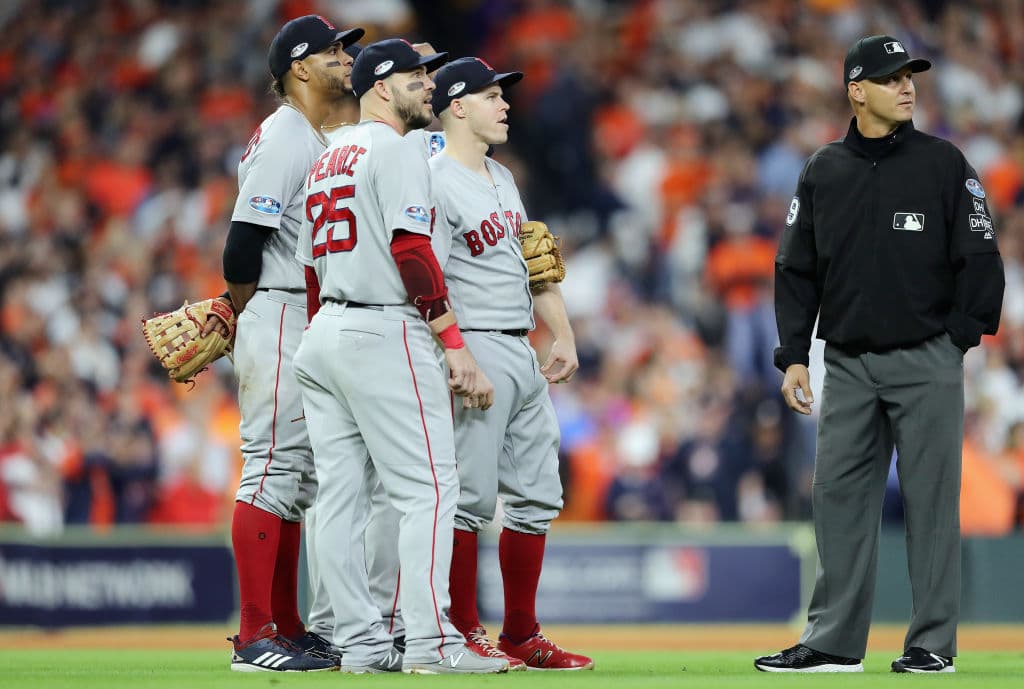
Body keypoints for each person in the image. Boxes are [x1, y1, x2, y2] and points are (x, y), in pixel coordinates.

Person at [756, 35, 1005, 674]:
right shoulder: (823, 169)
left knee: (930, 505)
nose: (907, 86)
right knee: (837, 500)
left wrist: (955, 340)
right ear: (856, 90)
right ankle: (834, 644)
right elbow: (796, 270)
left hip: (926, 360)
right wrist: (792, 356)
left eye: (911, 76)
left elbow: (981, 258)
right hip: (847, 364)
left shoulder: (944, 164)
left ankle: (931, 645)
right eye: (892, 77)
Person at [292, 38, 508, 675]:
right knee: (431, 490)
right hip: (383, 328)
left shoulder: (329, 157)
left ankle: (357, 644)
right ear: (381, 87)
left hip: (327, 327)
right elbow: (412, 248)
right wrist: (453, 342)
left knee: (337, 499)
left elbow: (309, 270)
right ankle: (431, 644)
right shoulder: (396, 150)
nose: (429, 88)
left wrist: (322, 338)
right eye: (416, 79)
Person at [428, 56, 594, 671]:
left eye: (504, 95)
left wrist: (563, 334)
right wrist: (455, 353)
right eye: (491, 95)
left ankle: (521, 634)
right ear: (457, 106)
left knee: (535, 495)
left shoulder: (502, 179)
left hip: (521, 346)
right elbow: (425, 279)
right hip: (474, 344)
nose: (504, 105)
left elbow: (537, 265)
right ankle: (462, 630)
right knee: (469, 498)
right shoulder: (434, 179)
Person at [220, 15, 363, 673]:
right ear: (299, 67)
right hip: (275, 306)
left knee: (296, 477)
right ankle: (254, 635)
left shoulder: (311, 134)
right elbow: (242, 242)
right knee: (273, 466)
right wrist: (233, 307)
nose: (344, 59)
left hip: (296, 313)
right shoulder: (285, 136)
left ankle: (288, 625)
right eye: (334, 51)